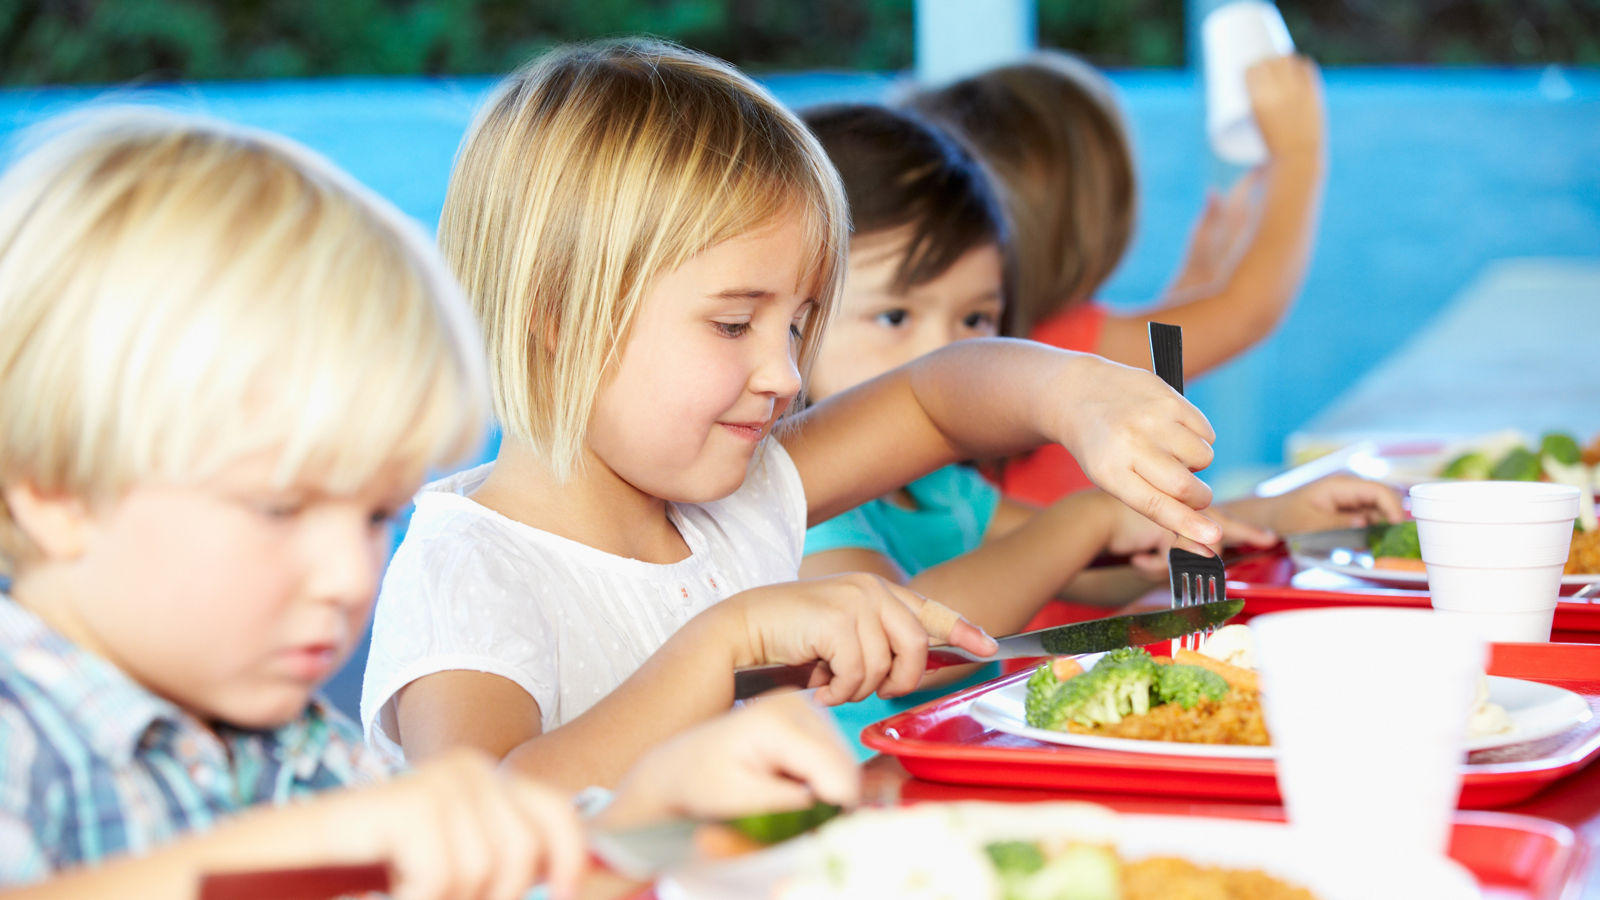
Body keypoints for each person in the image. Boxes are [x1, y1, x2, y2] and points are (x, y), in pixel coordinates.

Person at [0, 108, 859, 900]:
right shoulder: (22, 741)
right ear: (53, 489)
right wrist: (286, 855)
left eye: (375, 517)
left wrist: (643, 819)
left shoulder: (298, 747)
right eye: (279, 508)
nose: (349, 578)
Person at [362, 38, 1223, 794]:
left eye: (801, 324)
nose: (783, 372)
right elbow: (485, 812)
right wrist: (726, 642)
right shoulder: (468, 570)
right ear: (555, 315)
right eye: (734, 324)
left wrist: (1076, 396)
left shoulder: (738, 500)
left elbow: (937, 400)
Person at [795, 103, 1402, 749]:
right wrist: (1085, 518)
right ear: (793, 316)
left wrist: (1269, 518)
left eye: (975, 319)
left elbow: (1089, 567)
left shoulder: (940, 489)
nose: (946, 351)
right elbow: (912, 649)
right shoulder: (800, 506)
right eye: (895, 317)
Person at [905, 50, 1327, 505]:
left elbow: (1155, 361)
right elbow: (1247, 312)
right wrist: (1298, 155)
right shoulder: (1054, 348)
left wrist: (1197, 282)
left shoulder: (998, 344)